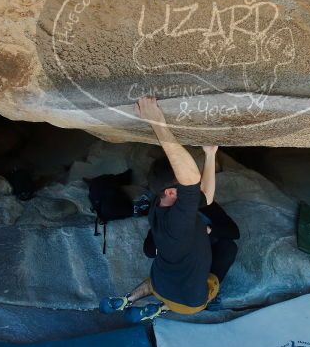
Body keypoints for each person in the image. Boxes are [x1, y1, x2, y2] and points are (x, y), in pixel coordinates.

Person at [99, 96, 231, 323]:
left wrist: (210, 155)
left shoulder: (158, 205)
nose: (193, 185)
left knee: (160, 280)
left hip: (162, 282)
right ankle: (163, 309)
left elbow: (204, 198)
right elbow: (191, 181)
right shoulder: (179, 220)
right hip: (190, 302)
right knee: (215, 276)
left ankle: (127, 300)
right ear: (170, 191)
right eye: (184, 185)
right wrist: (157, 122)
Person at [142, 151, 239, 310]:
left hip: (203, 248)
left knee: (229, 248)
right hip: (183, 264)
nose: (195, 185)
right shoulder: (165, 214)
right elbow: (150, 249)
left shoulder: (201, 206)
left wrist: (208, 230)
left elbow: (234, 232)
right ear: (171, 192)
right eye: (190, 183)